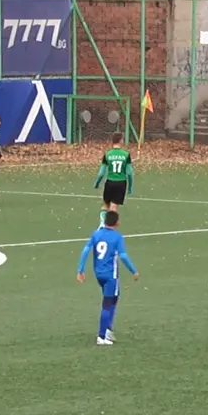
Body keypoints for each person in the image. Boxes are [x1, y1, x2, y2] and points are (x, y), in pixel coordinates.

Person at [77, 211, 139, 345]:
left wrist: (80, 270)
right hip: (111, 275)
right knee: (108, 303)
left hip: (99, 274)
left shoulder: (96, 234)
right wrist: (133, 270)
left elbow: (86, 250)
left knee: (114, 297)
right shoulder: (117, 237)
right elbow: (123, 256)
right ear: (117, 222)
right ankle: (102, 335)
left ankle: (108, 329)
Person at [93, 133, 134, 227]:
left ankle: (102, 224)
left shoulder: (107, 154)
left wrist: (97, 183)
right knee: (114, 207)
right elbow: (129, 173)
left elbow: (101, 173)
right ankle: (110, 227)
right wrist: (130, 187)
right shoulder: (126, 155)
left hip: (110, 182)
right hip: (121, 183)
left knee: (105, 205)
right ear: (121, 140)